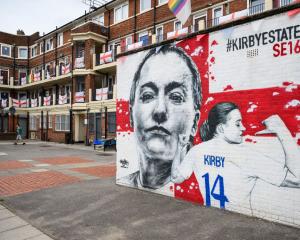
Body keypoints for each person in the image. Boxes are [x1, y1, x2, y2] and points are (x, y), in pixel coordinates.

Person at [171, 102, 300, 213]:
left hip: (208, 221)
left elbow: (176, 178)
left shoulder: (197, 151)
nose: (243, 128)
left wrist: (178, 147)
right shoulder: (244, 155)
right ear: (221, 128)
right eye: (238, 124)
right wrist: (282, 131)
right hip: (238, 227)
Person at [119, 45, 202, 190]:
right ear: (131, 115)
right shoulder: (124, 181)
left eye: (176, 97)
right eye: (148, 95)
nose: (160, 110)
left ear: (195, 123)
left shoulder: (200, 188)